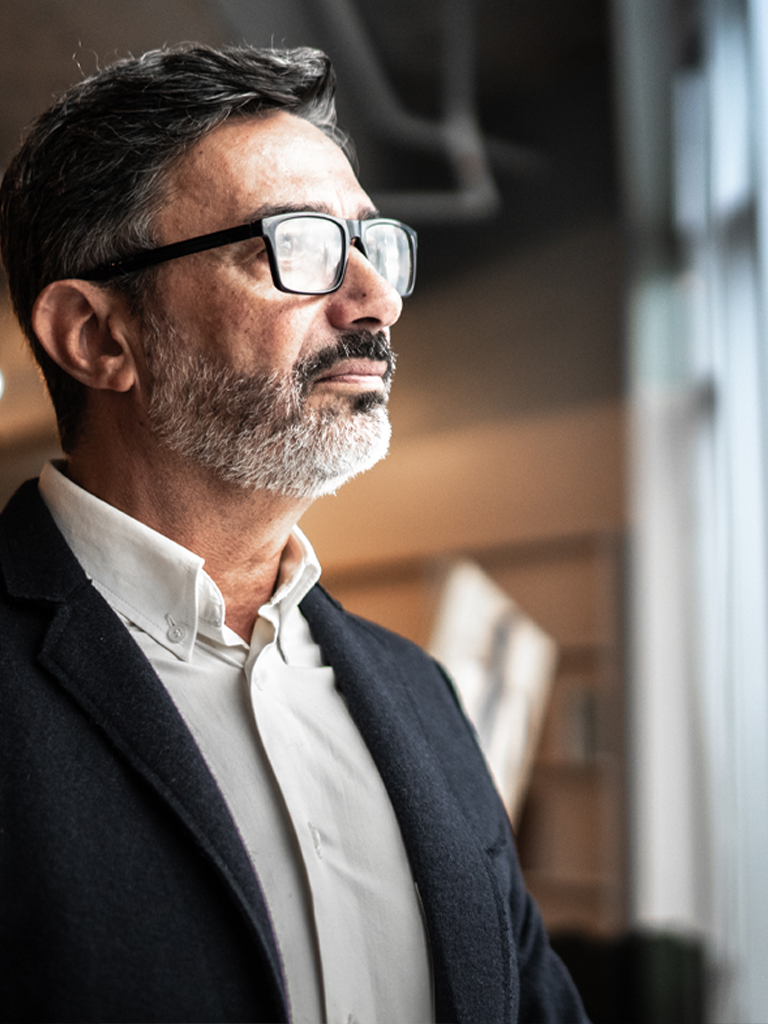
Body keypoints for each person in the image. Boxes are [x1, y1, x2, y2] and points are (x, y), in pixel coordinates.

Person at [0, 43, 587, 1023]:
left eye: (371, 245)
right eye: (300, 246)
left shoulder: (420, 694)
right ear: (101, 337)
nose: (379, 301)